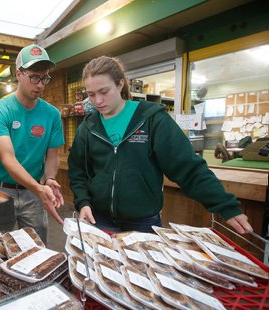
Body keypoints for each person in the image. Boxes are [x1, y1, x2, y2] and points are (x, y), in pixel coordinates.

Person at [68, 56, 253, 235]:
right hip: (99, 219)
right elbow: (78, 172)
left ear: (120, 84)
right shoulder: (88, 127)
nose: (97, 100)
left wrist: (225, 205)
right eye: (91, 94)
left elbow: (187, 166)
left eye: (104, 92)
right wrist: (83, 202)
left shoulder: (151, 119)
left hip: (142, 223)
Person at [0, 44, 65, 243]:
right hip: (2, 191)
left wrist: (50, 179)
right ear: (19, 74)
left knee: (37, 248)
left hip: (33, 194)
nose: (40, 85)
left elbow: (52, 155)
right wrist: (39, 188)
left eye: (44, 78)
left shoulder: (51, 114)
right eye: (34, 77)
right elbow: (7, 159)